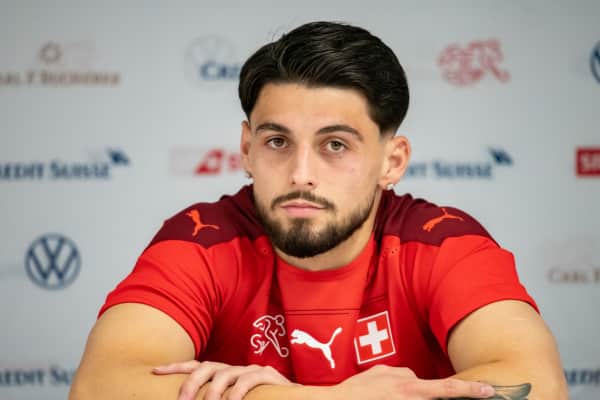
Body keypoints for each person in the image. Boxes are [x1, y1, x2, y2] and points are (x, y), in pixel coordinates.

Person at [69, 21, 567, 400]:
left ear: (392, 162)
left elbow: (538, 387)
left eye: (335, 145)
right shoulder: (203, 239)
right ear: (246, 150)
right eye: (277, 141)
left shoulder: (439, 241)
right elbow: (100, 387)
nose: (300, 174)